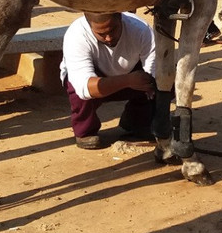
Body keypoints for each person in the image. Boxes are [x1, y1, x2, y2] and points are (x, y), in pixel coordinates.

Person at [60, 12, 156, 149]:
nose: (109, 37)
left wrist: (149, 83)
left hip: (131, 77)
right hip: (100, 81)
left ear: (121, 18)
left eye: (113, 30)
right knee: (76, 87)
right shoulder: (76, 35)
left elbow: (155, 72)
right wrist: (127, 80)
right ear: (89, 25)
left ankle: (137, 120)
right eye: (101, 34)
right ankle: (85, 130)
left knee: (167, 81)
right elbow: (84, 89)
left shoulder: (141, 29)